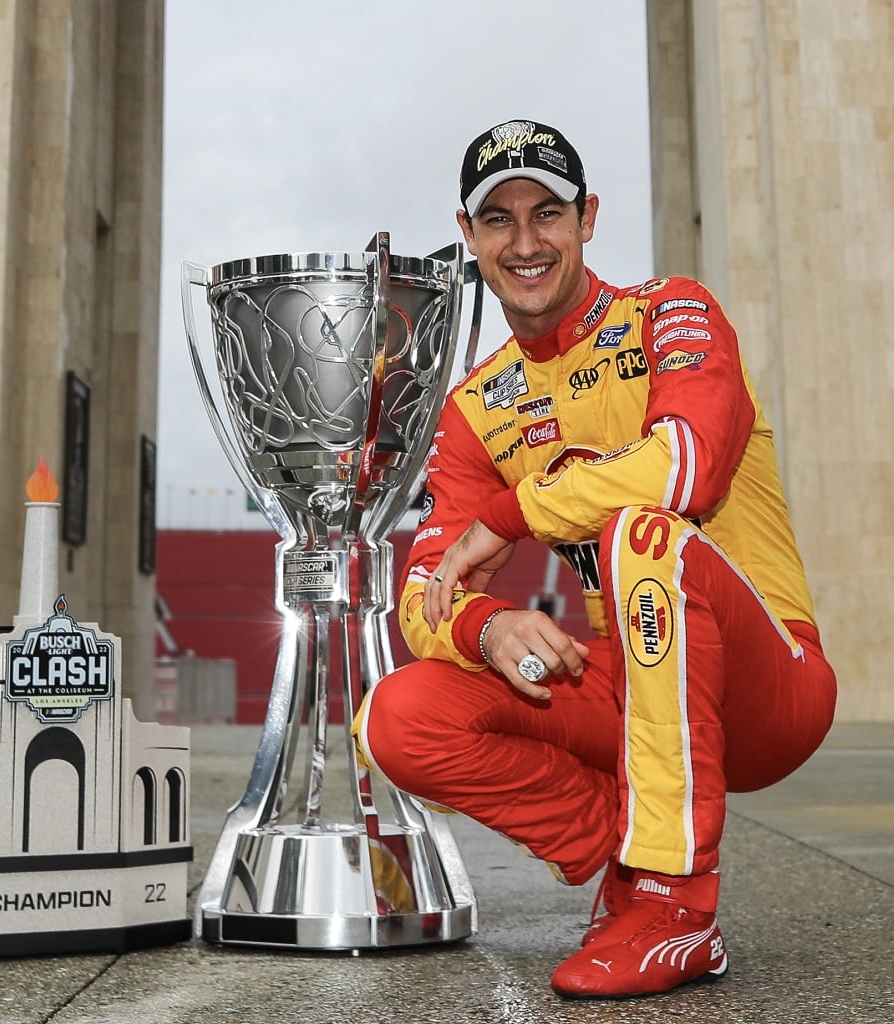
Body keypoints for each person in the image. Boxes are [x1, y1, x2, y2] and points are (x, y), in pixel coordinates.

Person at [352, 119, 838, 999]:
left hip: (772, 684)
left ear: (588, 219)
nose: (526, 241)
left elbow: (686, 463)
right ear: (468, 236)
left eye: (549, 214)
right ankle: (627, 856)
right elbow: (424, 592)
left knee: (640, 534)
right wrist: (486, 622)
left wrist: (512, 514)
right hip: (631, 685)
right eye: (498, 219)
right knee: (399, 714)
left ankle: (675, 905)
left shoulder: (671, 310)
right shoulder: (473, 406)